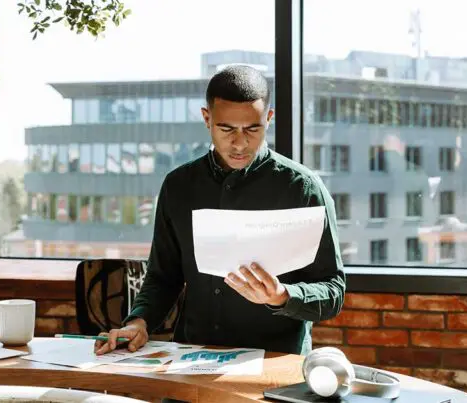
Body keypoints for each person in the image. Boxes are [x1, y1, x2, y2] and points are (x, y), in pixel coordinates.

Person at [94, 65, 345, 356]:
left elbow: (333, 291)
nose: (240, 143)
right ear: (207, 119)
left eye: (253, 129)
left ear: (269, 119)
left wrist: (283, 296)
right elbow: (164, 276)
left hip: (274, 361)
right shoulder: (178, 186)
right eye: (227, 129)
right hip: (191, 356)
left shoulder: (303, 189)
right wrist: (139, 321)